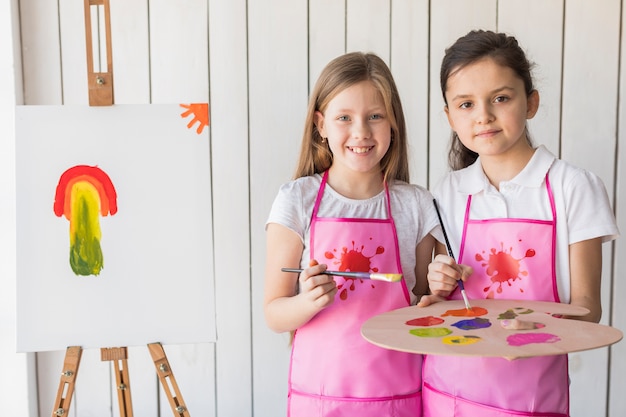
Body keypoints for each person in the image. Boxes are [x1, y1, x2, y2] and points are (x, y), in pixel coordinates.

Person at [420, 30, 620, 417]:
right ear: (449, 116)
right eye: (465, 104)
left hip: (531, 396)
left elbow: (587, 309)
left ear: (531, 102)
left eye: (500, 98)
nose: (483, 115)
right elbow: (441, 297)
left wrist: (537, 333)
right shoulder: (448, 191)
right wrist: (439, 282)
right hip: (446, 393)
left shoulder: (573, 187)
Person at [264, 51, 439, 416]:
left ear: (393, 124)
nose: (361, 131)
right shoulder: (297, 200)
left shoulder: (417, 205)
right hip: (320, 400)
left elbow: (424, 301)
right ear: (321, 124)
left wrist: (437, 295)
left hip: (399, 398)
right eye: (344, 117)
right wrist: (307, 302)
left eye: (375, 116)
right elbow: (274, 314)